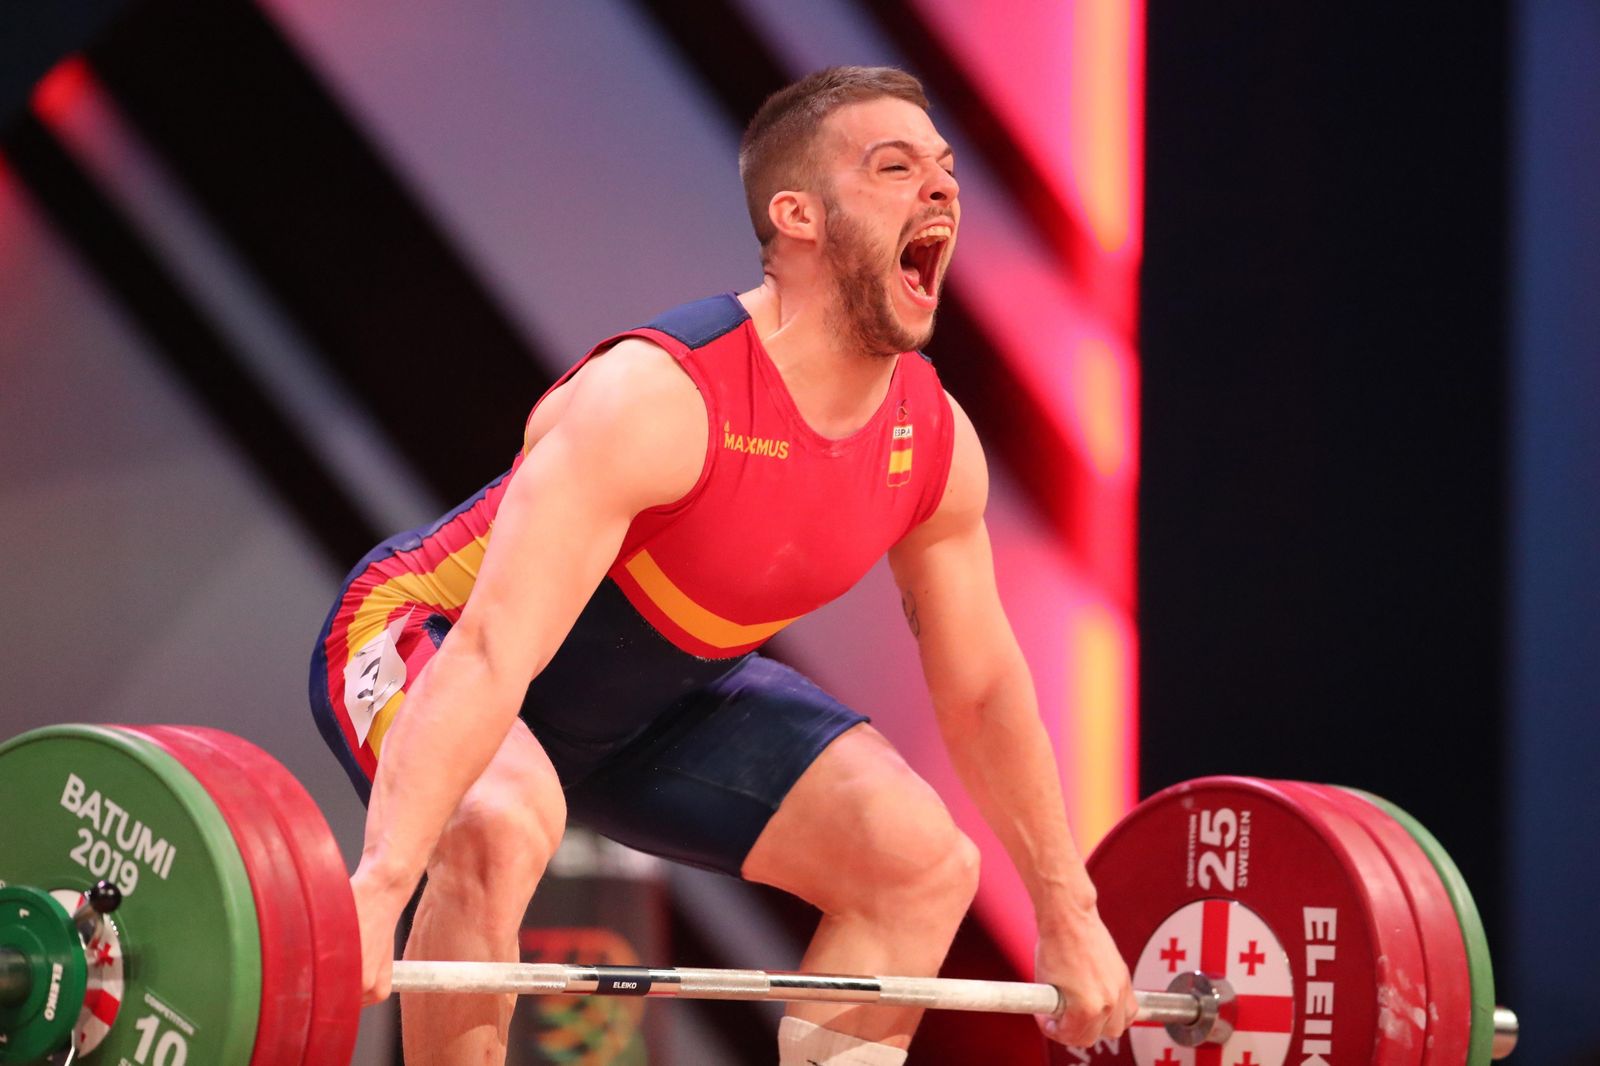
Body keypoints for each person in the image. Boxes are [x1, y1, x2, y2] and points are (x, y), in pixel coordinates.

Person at [309, 65, 1136, 1065]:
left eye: (945, 168)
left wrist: (1068, 908)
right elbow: (488, 655)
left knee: (920, 866)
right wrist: (377, 889)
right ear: (799, 216)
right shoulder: (657, 401)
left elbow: (983, 691)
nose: (942, 188)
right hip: (427, 634)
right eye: (895, 166)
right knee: (496, 822)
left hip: (659, 702)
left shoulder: (936, 443)